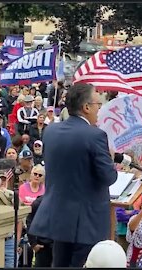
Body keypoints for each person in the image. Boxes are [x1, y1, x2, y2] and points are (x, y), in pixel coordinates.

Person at [28, 83, 119, 267]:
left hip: (59, 220)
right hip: (87, 223)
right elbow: (108, 177)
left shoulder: (51, 131)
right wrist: (109, 159)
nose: (98, 111)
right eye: (97, 106)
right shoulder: (95, 136)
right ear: (86, 107)